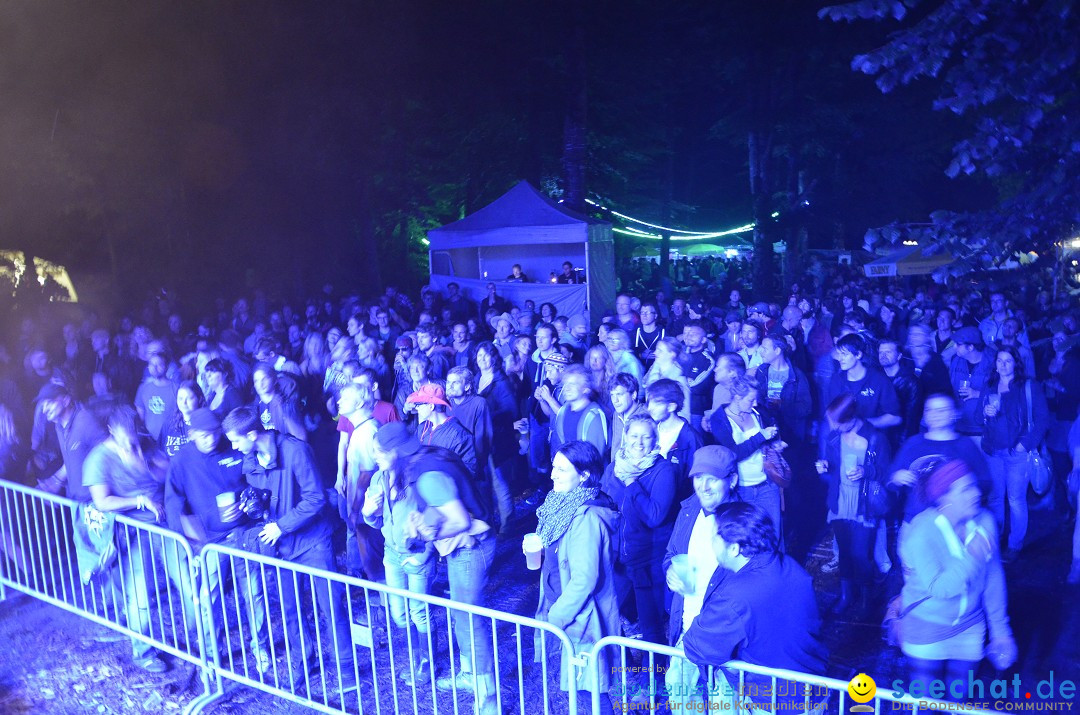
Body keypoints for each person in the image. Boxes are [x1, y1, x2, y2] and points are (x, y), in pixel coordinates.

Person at [222, 406, 357, 694]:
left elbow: (316, 498)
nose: (233, 447)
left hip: (312, 541)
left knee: (329, 606)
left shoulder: (296, 451)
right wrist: (249, 506)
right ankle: (303, 660)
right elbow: (263, 500)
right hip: (282, 546)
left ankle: (346, 669)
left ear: (251, 434)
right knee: (290, 609)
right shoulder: (249, 460)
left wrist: (282, 525)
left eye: (235, 440)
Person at [680, 503, 828, 712]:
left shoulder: (734, 598)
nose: (710, 542)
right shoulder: (790, 566)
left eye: (714, 536)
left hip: (775, 703)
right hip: (813, 693)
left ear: (733, 548)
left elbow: (697, 647)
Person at [83, 406, 191, 673]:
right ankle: (143, 651)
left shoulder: (144, 442)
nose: (131, 442)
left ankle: (199, 642)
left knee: (188, 581)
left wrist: (156, 465)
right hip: (131, 531)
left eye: (134, 436)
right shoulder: (99, 459)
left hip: (163, 525)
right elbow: (102, 501)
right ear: (111, 431)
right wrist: (139, 501)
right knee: (140, 593)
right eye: (125, 438)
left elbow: (163, 476)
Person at [897, 460, 1016, 696]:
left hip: (970, 627)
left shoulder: (985, 522)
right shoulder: (920, 534)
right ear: (944, 498)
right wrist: (972, 557)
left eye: (974, 486)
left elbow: (993, 579)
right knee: (927, 705)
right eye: (966, 489)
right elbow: (939, 588)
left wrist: (1001, 631)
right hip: (926, 630)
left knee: (957, 702)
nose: (976, 493)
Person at [164, 408, 269, 673]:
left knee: (254, 593)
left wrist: (247, 503)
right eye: (203, 435)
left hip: (243, 535)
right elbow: (174, 502)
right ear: (191, 434)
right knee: (208, 598)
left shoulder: (234, 448)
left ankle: (261, 647)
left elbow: (254, 483)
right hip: (210, 541)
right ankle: (211, 654)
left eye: (214, 433)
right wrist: (190, 540)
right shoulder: (182, 460)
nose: (210, 439)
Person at [531, 440, 619, 714]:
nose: (552, 474)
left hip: (583, 618)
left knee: (590, 690)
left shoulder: (586, 518)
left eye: (561, 469)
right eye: (554, 467)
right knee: (583, 688)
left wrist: (554, 619)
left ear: (584, 475)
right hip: (569, 611)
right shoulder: (560, 506)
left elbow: (584, 579)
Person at [600, 414, 676, 647]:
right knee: (610, 614)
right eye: (634, 435)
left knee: (651, 626)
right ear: (625, 436)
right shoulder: (615, 467)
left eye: (646, 436)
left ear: (656, 440)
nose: (639, 442)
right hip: (617, 558)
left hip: (647, 560)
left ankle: (654, 677)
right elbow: (604, 501)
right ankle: (623, 666)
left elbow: (654, 516)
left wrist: (632, 484)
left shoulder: (663, 471)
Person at [817, 394, 891, 616]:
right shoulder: (834, 437)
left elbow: (887, 471)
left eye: (839, 424)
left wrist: (866, 471)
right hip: (841, 500)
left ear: (851, 418)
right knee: (846, 553)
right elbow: (833, 466)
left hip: (864, 502)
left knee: (860, 553)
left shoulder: (876, 438)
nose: (835, 428)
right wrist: (825, 466)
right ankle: (846, 595)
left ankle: (868, 598)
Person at [978, 345, 1048, 559]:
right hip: (993, 450)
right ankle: (996, 538)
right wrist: (984, 413)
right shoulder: (989, 386)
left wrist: (1024, 445)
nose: (1003, 364)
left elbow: (1042, 419)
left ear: (1016, 363)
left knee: (1016, 499)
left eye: (1008, 360)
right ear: (995, 364)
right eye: (1000, 360)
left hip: (1017, 452)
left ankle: (1015, 544)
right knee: (995, 498)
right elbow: (977, 418)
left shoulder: (1028, 386)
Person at [709, 376, 783, 540]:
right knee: (746, 537)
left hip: (767, 485)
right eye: (750, 400)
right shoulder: (719, 420)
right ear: (736, 398)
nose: (755, 404)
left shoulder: (758, 412)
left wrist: (774, 444)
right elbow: (733, 454)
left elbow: (767, 440)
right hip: (741, 490)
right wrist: (761, 436)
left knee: (774, 534)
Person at [36, 383, 107, 500]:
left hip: (93, 501)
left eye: (49, 403)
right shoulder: (59, 426)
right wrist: (54, 482)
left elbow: (109, 455)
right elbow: (74, 459)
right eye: (43, 405)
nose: (44, 409)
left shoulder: (86, 421)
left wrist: (102, 499)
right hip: (76, 499)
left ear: (66, 401)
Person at [645, 378, 702, 490]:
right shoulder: (649, 429)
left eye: (657, 402)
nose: (650, 408)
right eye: (649, 402)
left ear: (671, 406)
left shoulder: (691, 438)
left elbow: (694, 480)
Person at [549, 364, 609, 458]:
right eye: (565, 384)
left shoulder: (594, 416)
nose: (567, 388)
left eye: (572, 384)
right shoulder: (563, 411)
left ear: (585, 389)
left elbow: (594, 458)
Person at [642, 337, 692, 423]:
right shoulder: (653, 372)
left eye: (660, 350)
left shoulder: (679, 381)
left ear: (672, 354)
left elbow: (685, 413)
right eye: (656, 349)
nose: (655, 352)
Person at [134, 353, 175, 442]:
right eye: (152, 364)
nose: (155, 367)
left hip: (172, 438)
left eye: (159, 364)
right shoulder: (143, 388)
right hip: (150, 439)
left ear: (167, 366)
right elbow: (140, 416)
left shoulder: (176, 388)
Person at [158, 380, 204, 459]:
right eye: (180, 398)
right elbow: (160, 451)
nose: (184, 403)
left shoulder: (205, 424)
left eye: (189, 398)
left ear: (199, 399)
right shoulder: (169, 423)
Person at [608, 373, 646, 461]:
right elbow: (616, 445)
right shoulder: (617, 414)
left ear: (633, 395)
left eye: (619, 394)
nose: (615, 400)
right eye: (612, 395)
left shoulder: (644, 417)